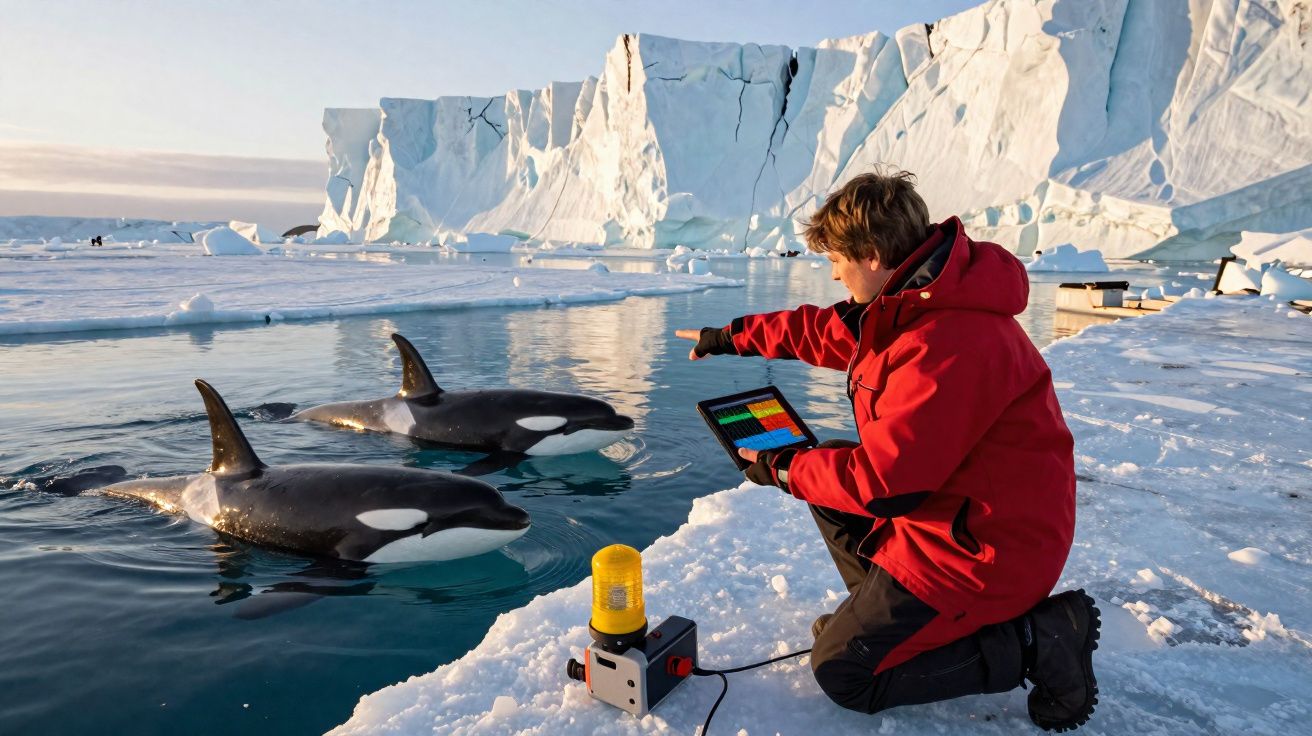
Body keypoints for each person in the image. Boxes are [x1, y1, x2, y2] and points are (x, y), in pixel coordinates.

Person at [676, 170, 1098, 731]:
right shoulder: (915, 305)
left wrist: (781, 468)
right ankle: (882, 621)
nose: (831, 273)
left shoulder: (946, 343)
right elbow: (823, 332)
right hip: (957, 519)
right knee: (823, 461)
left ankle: (1036, 641)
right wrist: (731, 336)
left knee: (844, 674)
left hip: (986, 552)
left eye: (836, 261)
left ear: (871, 255)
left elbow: (886, 485)